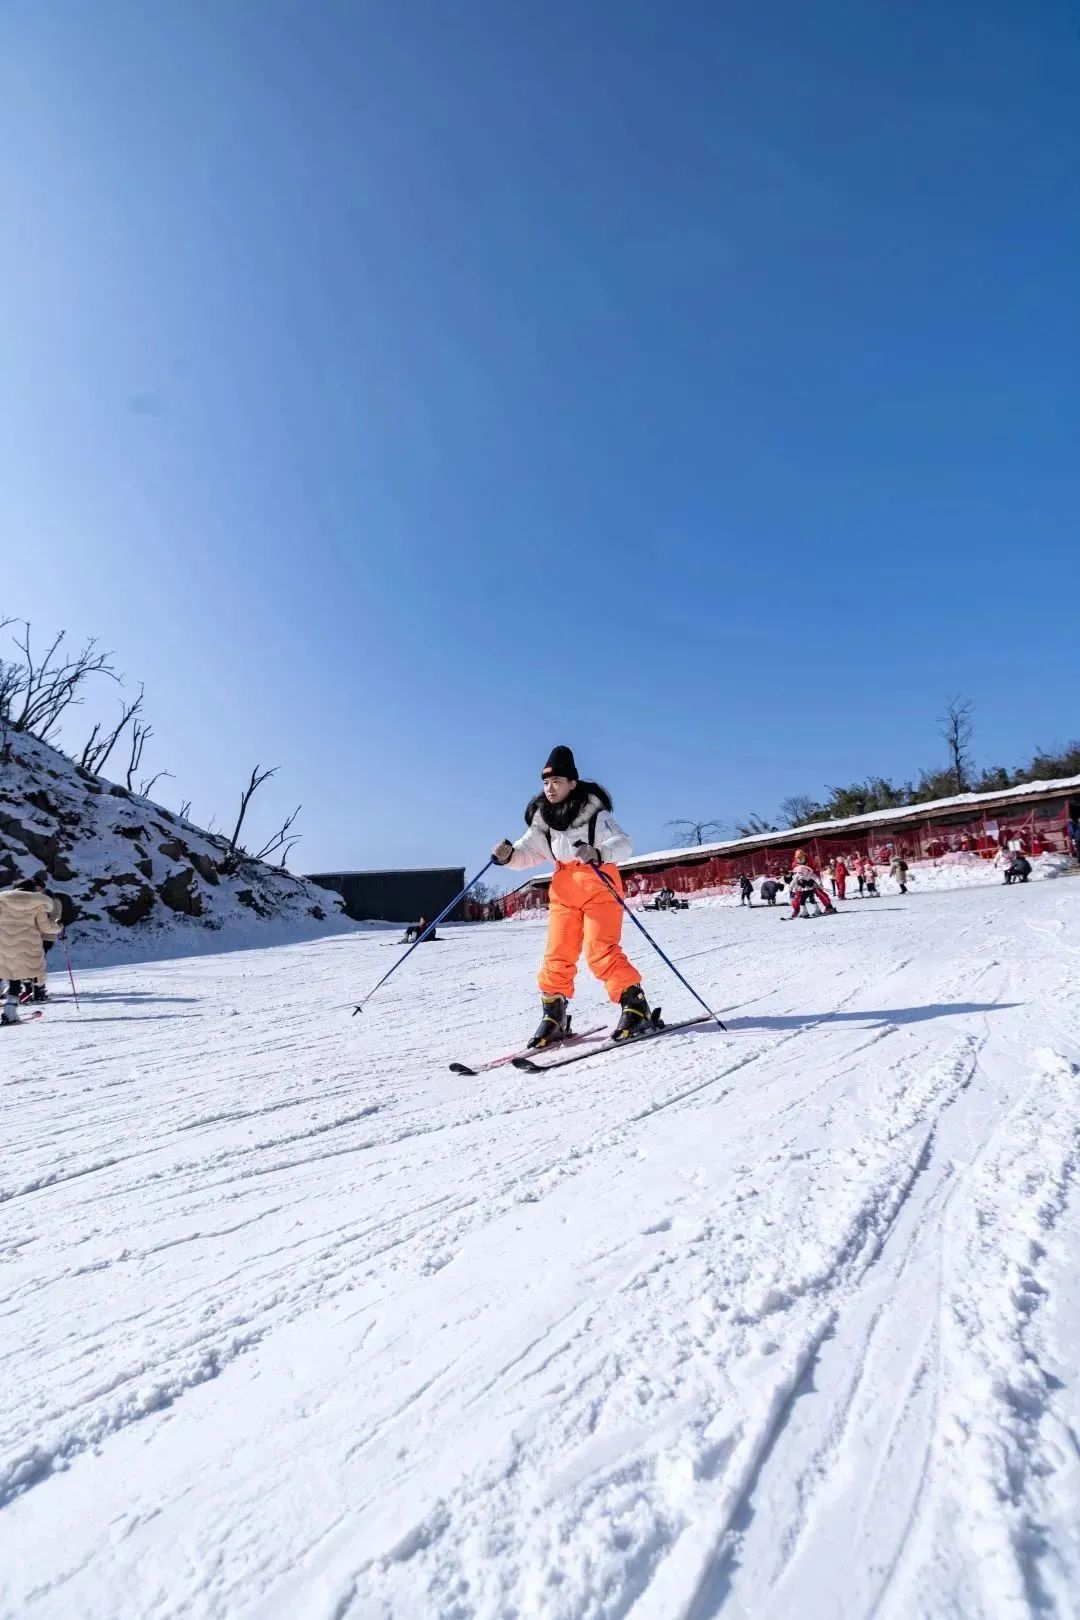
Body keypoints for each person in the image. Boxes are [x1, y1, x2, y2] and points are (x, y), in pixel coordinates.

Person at [493, 746, 655, 1047]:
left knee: (600, 949)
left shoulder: (595, 814)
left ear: (572, 783)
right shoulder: (543, 819)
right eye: (546, 782)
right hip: (564, 889)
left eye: (556, 782)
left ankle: (635, 1006)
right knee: (558, 952)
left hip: (598, 883)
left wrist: (599, 851)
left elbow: (624, 844)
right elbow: (527, 852)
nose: (550, 788)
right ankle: (554, 1015)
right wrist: (508, 856)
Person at [0, 877, 61, 1025]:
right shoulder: (37, 904)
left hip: (3, 943)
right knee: (17, 976)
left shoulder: (3, 901)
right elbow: (45, 927)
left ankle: (10, 1009)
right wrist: (58, 927)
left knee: (6, 972)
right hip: (27, 946)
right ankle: (10, 1010)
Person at [786, 851, 836, 919]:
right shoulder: (794, 863)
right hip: (801, 884)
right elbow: (795, 875)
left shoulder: (811, 861)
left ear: (804, 856)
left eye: (801, 857)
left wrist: (815, 882)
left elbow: (815, 872)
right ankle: (796, 910)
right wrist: (798, 882)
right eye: (798, 858)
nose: (799, 859)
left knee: (818, 892)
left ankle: (829, 907)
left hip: (812, 879)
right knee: (797, 896)